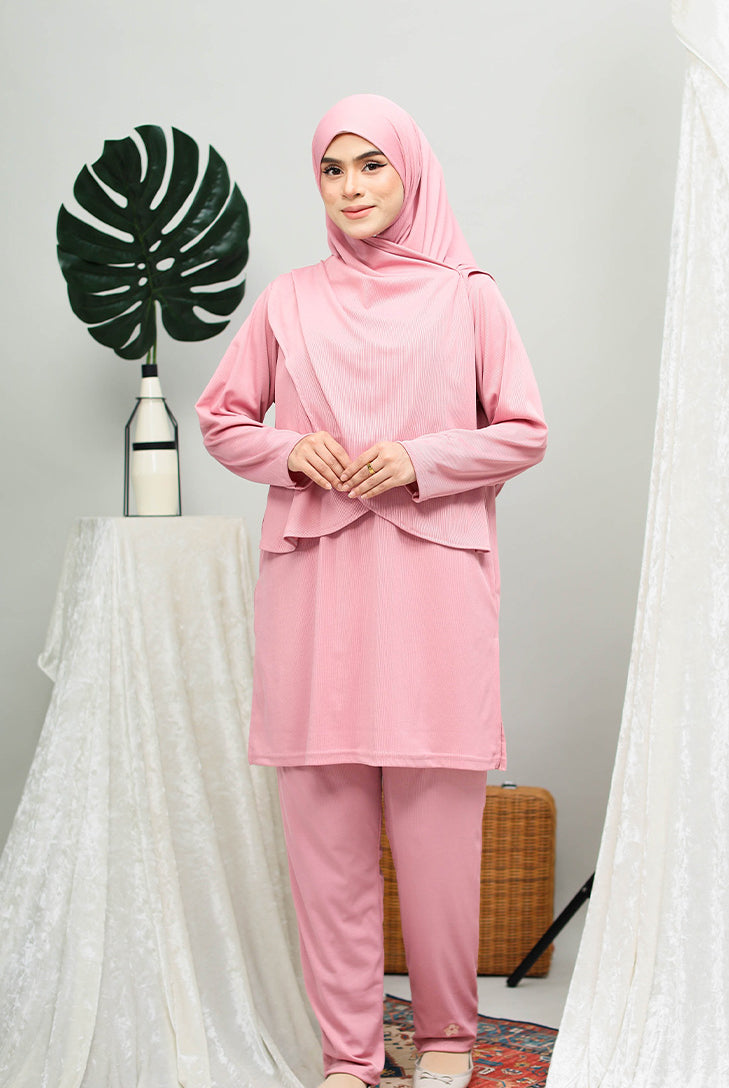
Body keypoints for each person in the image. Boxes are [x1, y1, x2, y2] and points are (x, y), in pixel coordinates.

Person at [196, 93, 547, 1088]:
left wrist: (419, 459)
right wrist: (285, 450)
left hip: (430, 589)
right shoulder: (288, 300)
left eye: (371, 165)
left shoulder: (468, 295)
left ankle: (445, 1040)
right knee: (325, 833)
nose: (351, 187)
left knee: (437, 836)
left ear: (410, 172)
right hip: (318, 590)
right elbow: (223, 417)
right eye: (332, 169)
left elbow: (523, 429)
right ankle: (348, 1054)